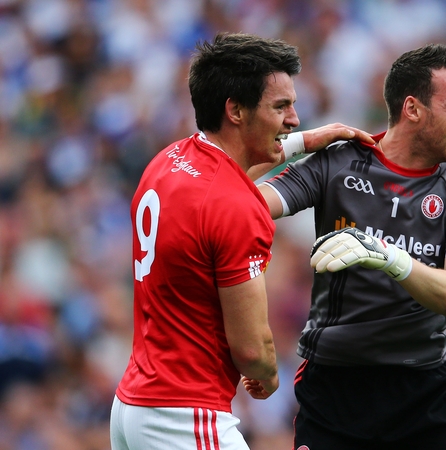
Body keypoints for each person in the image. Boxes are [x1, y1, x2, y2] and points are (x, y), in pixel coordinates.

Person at [110, 33, 371, 450]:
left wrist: (305, 144)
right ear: (235, 110)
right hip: (184, 415)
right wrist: (267, 375)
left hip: (133, 406)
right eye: (281, 107)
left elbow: (224, 180)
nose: (294, 119)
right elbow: (252, 348)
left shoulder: (168, 160)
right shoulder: (237, 208)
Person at [255, 43, 446, 449]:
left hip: (423, 390)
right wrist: (295, 144)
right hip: (334, 390)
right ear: (413, 109)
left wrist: (389, 257)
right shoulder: (339, 163)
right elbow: (230, 206)